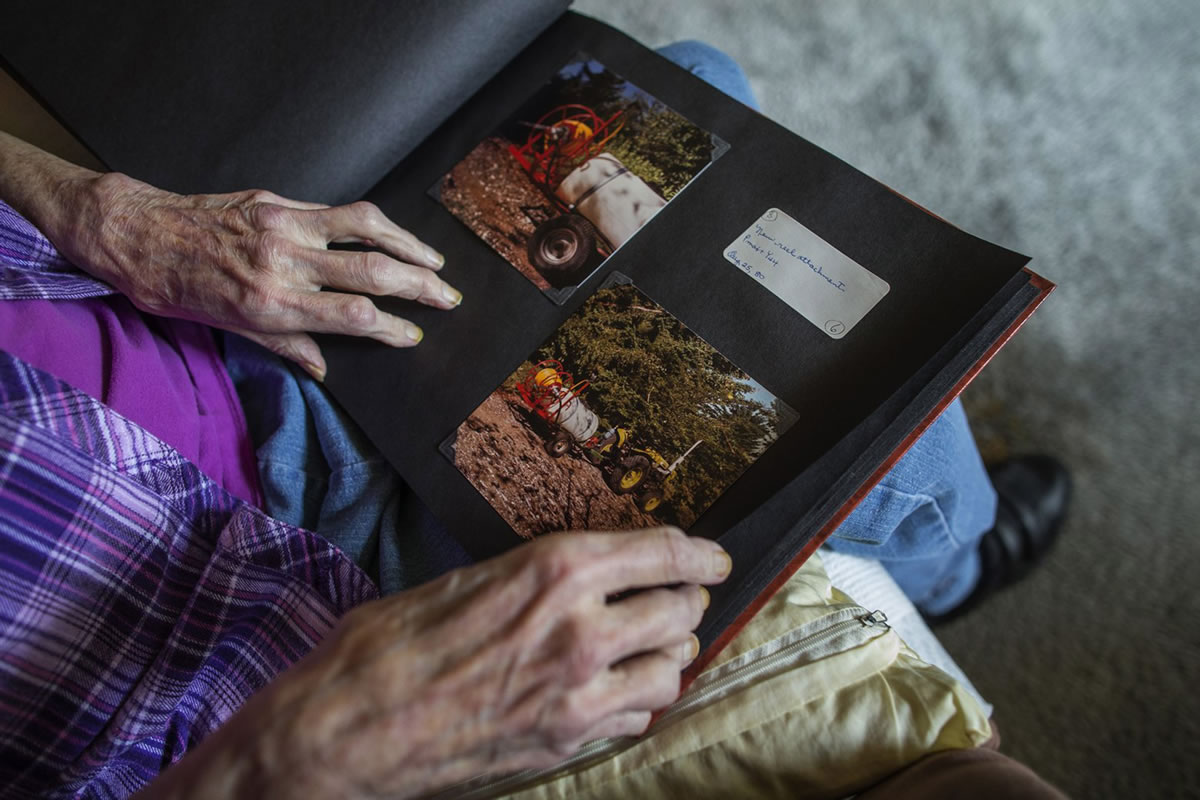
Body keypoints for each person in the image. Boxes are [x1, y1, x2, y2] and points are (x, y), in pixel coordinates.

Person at [0, 41, 1068, 798]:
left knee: (692, 86)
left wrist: (89, 210)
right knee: (889, 432)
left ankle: (941, 557)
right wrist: (291, 760)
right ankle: (953, 564)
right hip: (321, 610)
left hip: (208, 314)